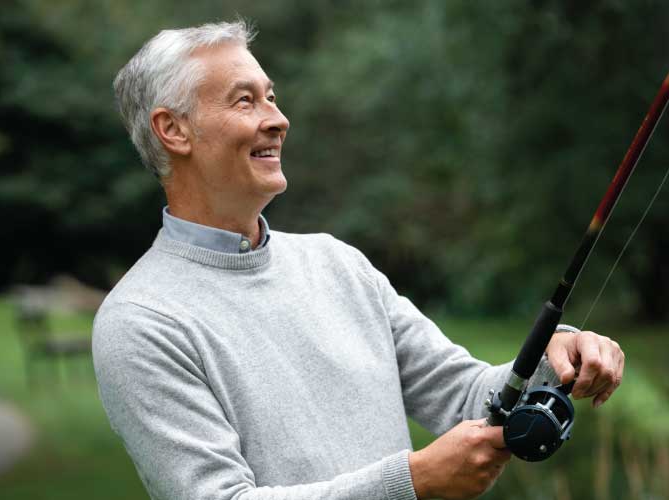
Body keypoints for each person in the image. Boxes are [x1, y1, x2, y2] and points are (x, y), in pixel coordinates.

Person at [93, 20, 625, 500]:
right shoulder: (140, 322)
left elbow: (466, 397)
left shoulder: (337, 264)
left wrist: (555, 360)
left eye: (271, 97)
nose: (278, 119)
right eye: (245, 101)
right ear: (173, 130)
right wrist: (410, 483)